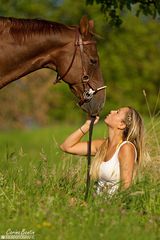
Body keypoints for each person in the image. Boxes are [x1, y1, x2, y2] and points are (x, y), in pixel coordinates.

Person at [60, 106, 144, 195]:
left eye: (117, 112)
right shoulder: (102, 146)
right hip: (96, 205)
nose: (112, 110)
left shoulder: (126, 148)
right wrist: (87, 125)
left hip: (112, 206)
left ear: (121, 125)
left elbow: (126, 188)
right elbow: (66, 147)